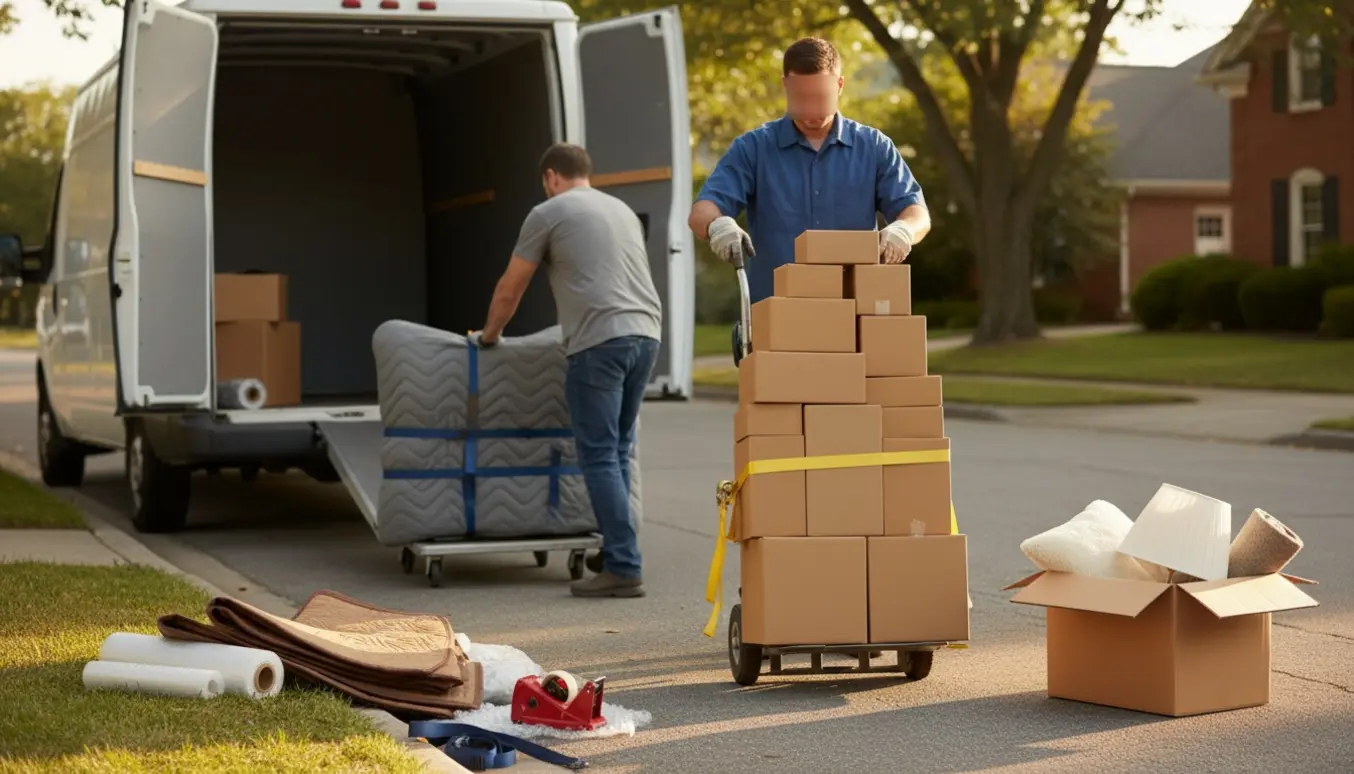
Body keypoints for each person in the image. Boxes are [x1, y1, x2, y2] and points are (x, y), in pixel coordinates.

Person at [475, 143, 661, 599]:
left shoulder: (549, 211)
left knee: (599, 455)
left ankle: (623, 564)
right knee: (617, 453)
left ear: (551, 177)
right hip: (647, 335)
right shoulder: (619, 209)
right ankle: (618, 550)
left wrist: (489, 335)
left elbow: (510, 287)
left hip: (599, 342)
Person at [689, 37, 932, 312]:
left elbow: (917, 214)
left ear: (839, 85)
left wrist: (903, 229)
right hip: (777, 314)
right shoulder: (753, 149)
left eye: (820, 97)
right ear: (785, 85)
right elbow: (701, 212)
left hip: (855, 313)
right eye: (801, 98)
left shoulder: (874, 147)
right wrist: (718, 226)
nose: (811, 112)